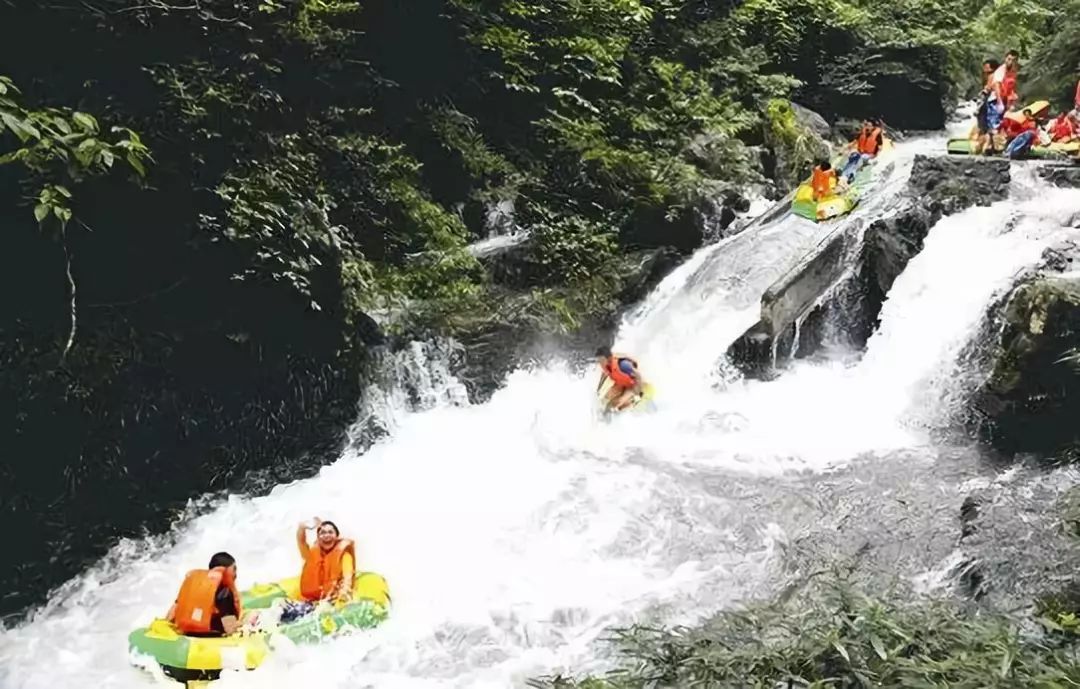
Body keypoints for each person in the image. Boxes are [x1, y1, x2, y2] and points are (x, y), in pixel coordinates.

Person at [166, 552, 243, 636]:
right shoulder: (224, 592)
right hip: (211, 636)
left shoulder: (194, 584)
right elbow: (230, 628)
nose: (236, 574)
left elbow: (171, 615)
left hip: (186, 633)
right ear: (226, 570)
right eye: (234, 569)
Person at [297, 518, 355, 604]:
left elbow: (347, 579)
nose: (326, 535)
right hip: (309, 602)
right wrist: (302, 527)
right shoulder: (310, 555)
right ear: (318, 538)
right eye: (322, 533)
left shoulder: (345, 556)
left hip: (331, 602)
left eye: (330, 532)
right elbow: (301, 542)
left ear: (337, 536)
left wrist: (343, 597)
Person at [595, 346, 644, 412]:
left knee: (619, 402)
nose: (600, 363)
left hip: (632, 386)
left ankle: (634, 401)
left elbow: (639, 376)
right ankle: (603, 414)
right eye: (599, 360)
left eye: (601, 360)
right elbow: (604, 375)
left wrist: (638, 392)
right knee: (605, 398)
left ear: (609, 358)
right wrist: (598, 390)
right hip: (621, 384)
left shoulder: (623, 365)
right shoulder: (606, 365)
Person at [973, 59, 1001, 154]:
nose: (985, 71)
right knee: (986, 126)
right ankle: (986, 146)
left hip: (990, 103)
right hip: (988, 103)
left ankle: (986, 146)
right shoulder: (992, 76)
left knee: (987, 126)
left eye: (987, 69)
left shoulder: (993, 77)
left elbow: (987, 90)